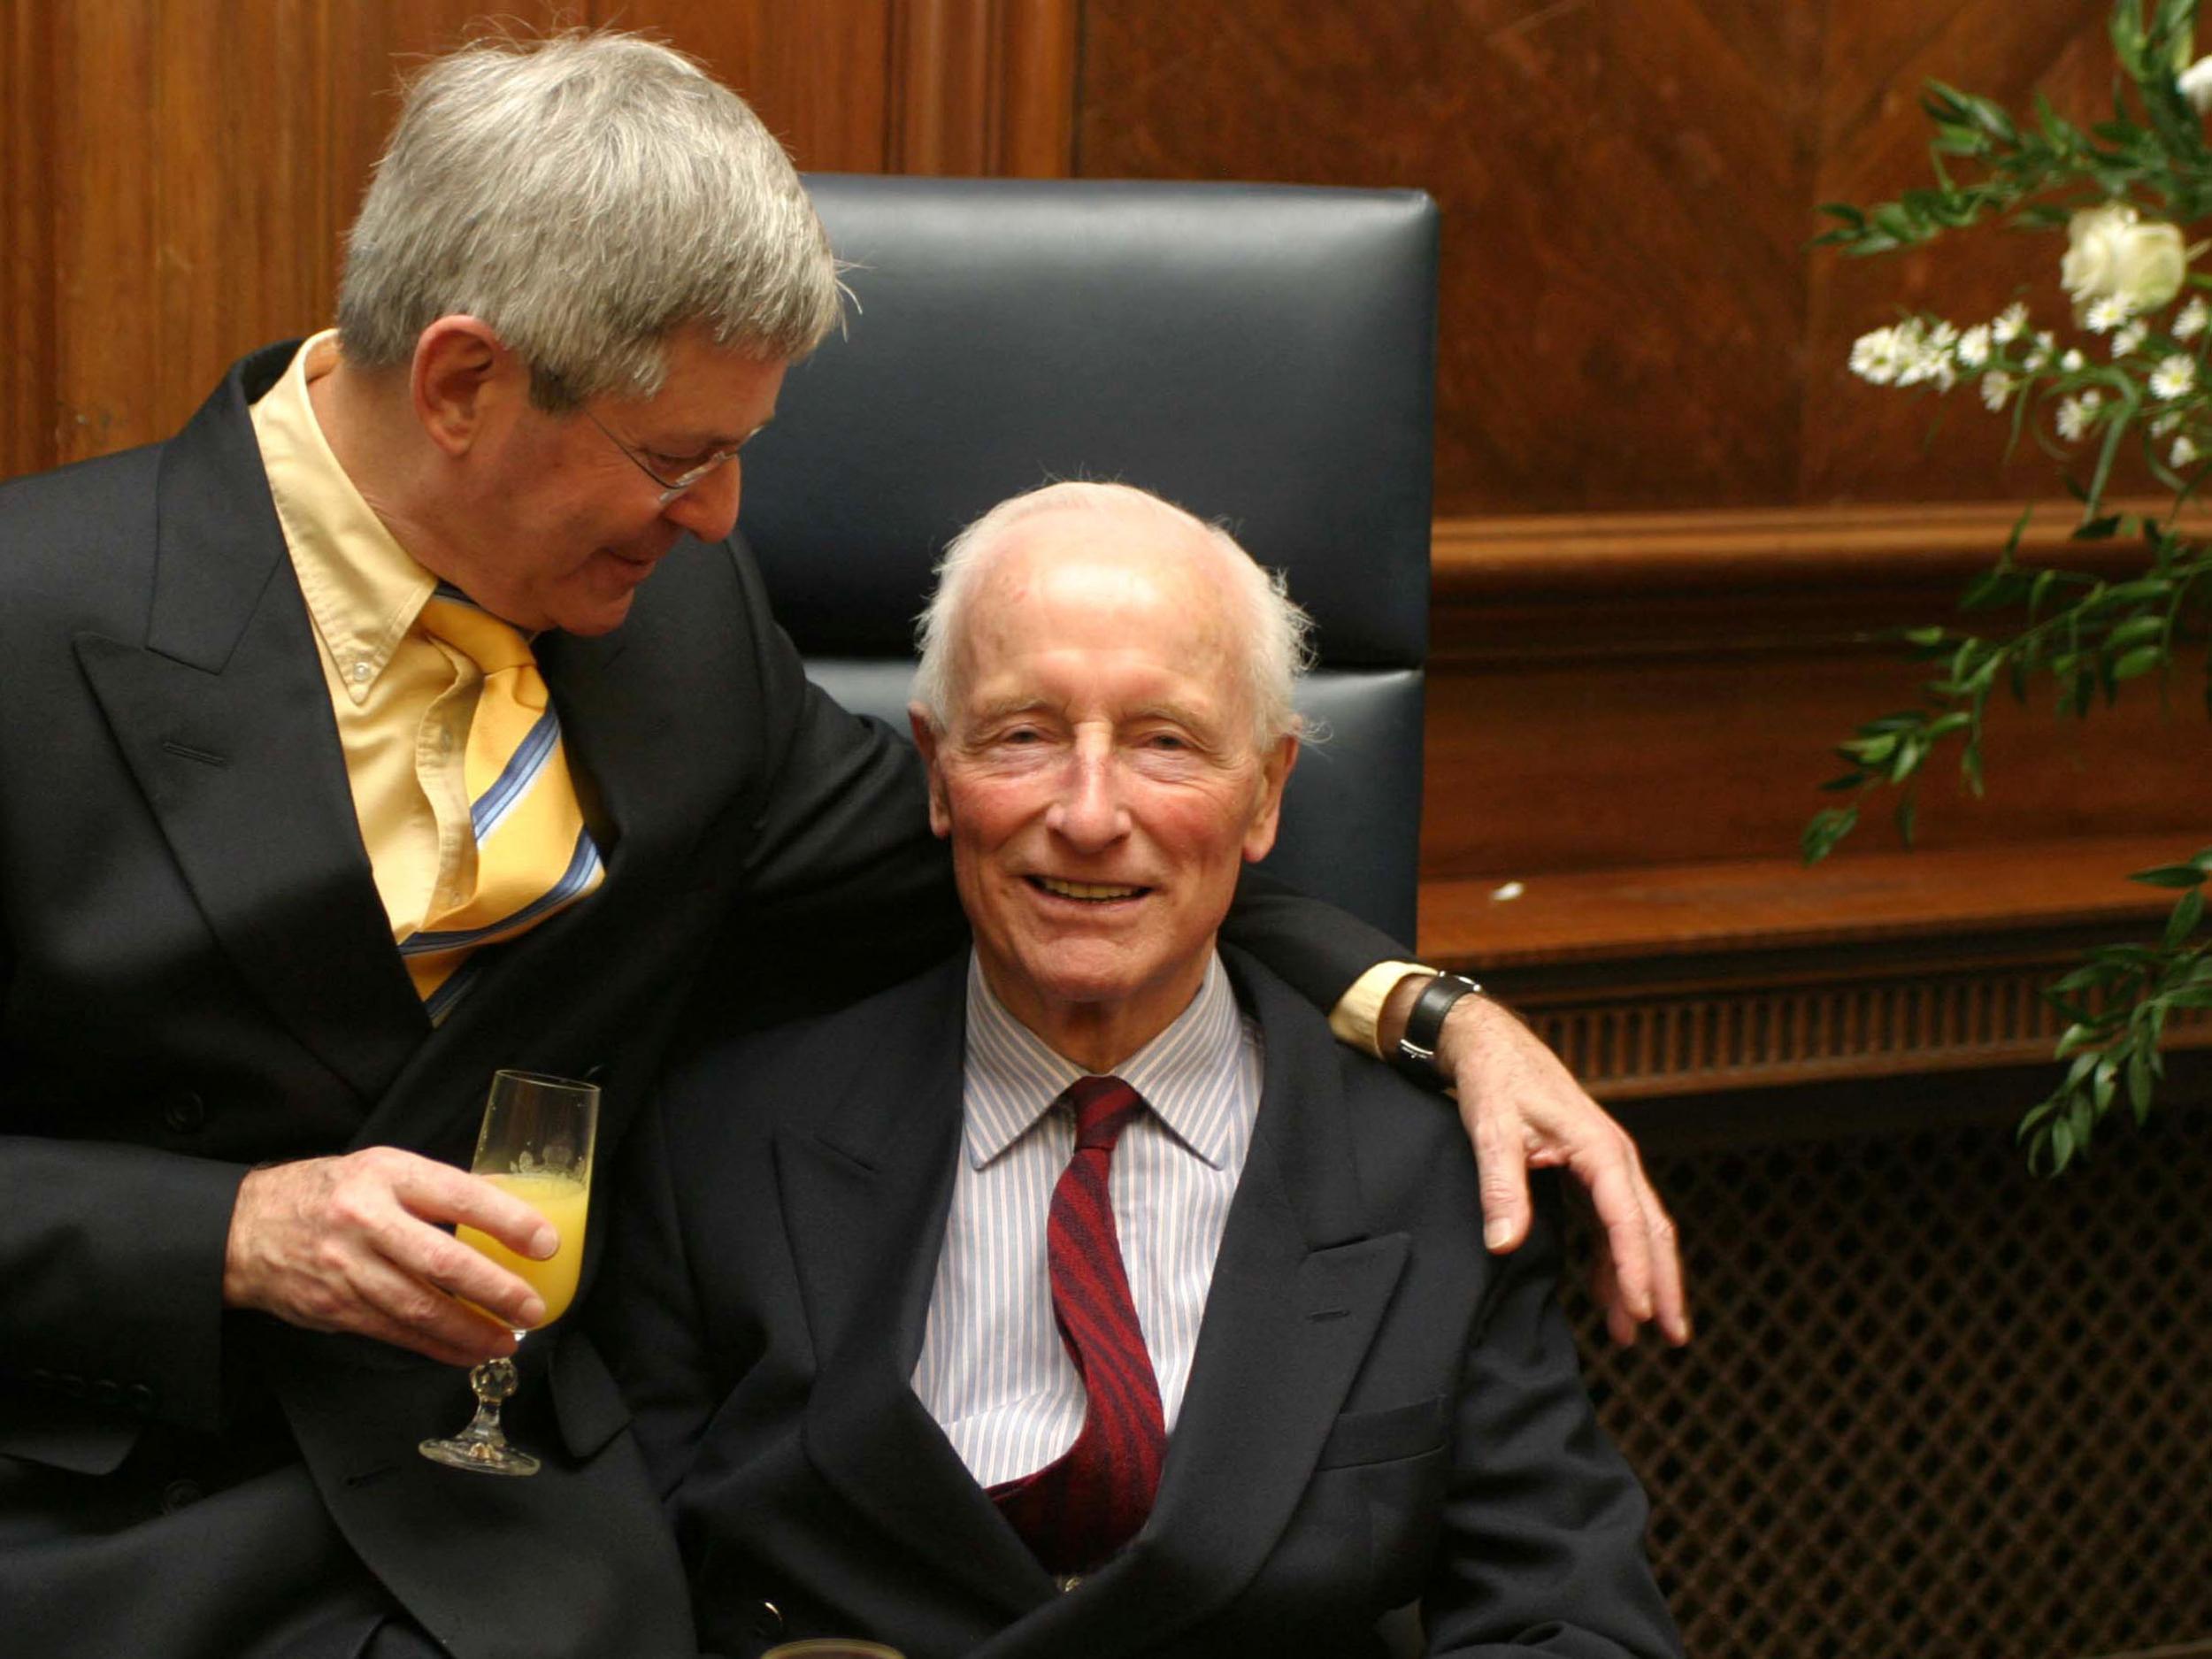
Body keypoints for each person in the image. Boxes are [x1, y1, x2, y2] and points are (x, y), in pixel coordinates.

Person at [0, 29, 1678, 1659]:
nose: (727, 517)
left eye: (744, 453)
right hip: (117, 1494)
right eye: (680, 457)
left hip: (524, 1522)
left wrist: (1421, 1005)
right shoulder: (32, 622)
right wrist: (226, 1235)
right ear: (461, 382)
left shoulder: (680, 626)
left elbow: (1027, 853)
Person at [598, 481, 1685, 1659]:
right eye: (1024, 734)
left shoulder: (1431, 1174)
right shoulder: (715, 1143)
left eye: (1165, 743)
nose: (1090, 811)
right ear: (935, 771)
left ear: (1265, 792)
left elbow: (1573, 1628)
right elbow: (617, 1603)